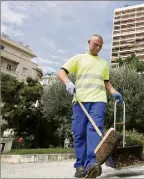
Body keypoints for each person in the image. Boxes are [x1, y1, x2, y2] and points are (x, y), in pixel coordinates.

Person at [57, 34, 123, 178]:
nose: (98, 47)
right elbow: (61, 72)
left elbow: (106, 82)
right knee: (79, 133)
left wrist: (113, 91)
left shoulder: (103, 63)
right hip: (80, 100)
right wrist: (67, 83)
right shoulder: (78, 58)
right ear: (89, 42)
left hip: (99, 100)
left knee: (94, 130)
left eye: (100, 45)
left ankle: (92, 163)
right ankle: (80, 165)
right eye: (95, 44)